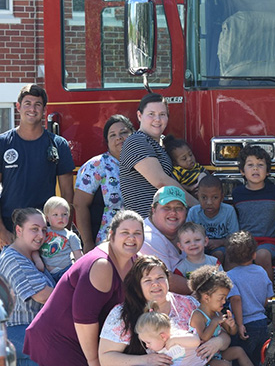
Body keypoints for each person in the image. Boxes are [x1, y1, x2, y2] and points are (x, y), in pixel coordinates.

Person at [19, 210, 146, 366]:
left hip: (84, 339)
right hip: (59, 338)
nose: (131, 238)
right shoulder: (102, 265)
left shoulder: (134, 261)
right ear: (111, 235)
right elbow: (84, 318)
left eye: (137, 233)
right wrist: (94, 360)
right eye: (125, 232)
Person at [97, 256, 235, 366]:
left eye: (160, 278)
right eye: (147, 280)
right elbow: (105, 358)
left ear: (168, 280)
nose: (155, 284)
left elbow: (224, 337)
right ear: (137, 286)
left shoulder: (189, 304)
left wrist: (216, 342)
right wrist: (146, 361)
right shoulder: (122, 313)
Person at [0, 84, 74, 264]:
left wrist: (62, 228)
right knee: (3, 285)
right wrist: (0, 229)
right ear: (18, 107)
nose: (32, 109)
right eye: (27, 103)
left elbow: (67, 192)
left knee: (45, 281)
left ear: (44, 109)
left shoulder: (58, 144)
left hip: (44, 229)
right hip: (9, 226)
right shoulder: (1, 143)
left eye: (37, 104)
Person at [0, 207, 54, 366]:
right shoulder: (14, 258)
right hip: (15, 329)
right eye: (34, 229)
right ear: (19, 230)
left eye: (44, 230)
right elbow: (42, 295)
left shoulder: (33, 255)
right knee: (57, 361)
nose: (41, 235)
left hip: (34, 329)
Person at [188, 266, 261, 366]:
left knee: (238, 351)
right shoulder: (197, 315)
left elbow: (230, 333)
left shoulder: (216, 311)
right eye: (221, 298)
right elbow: (203, 338)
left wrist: (231, 325)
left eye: (225, 298)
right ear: (206, 297)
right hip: (202, 359)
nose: (224, 301)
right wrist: (215, 322)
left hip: (217, 353)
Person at [120, 93, 196, 218]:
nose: (157, 119)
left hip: (168, 221)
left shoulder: (163, 143)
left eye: (162, 114)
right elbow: (161, 181)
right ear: (139, 116)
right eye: (151, 114)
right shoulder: (136, 141)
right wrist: (197, 206)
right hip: (147, 224)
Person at [74, 114, 134, 252]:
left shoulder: (144, 163)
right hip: (105, 244)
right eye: (112, 135)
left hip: (138, 241)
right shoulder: (96, 165)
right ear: (107, 141)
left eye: (123, 132)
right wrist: (88, 243)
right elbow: (79, 204)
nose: (118, 137)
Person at [232, 145, 275, 281]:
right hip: (246, 241)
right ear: (242, 171)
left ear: (268, 171)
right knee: (231, 255)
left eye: (260, 165)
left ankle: (268, 295)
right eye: (250, 165)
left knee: (262, 255)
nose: (255, 168)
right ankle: (232, 295)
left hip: (271, 241)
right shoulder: (237, 193)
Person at [226, 231, 274, 366]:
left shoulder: (230, 276)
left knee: (244, 361)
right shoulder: (261, 271)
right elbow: (268, 298)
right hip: (262, 321)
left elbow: (235, 299)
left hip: (245, 325)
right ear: (254, 254)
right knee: (260, 356)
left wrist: (239, 324)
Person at [141, 186, 192, 293]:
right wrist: (207, 290)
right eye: (166, 207)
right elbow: (168, 280)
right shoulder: (149, 237)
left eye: (179, 208)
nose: (173, 212)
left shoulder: (186, 230)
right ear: (153, 210)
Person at [187, 176, 239, 261]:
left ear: (222, 197)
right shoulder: (194, 212)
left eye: (215, 197)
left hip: (221, 248)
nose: (209, 202)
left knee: (218, 254)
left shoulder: (228, 211)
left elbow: (235, 238)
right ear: (198, 196)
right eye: (204, 197)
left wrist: (220, 242)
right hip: (198, 247)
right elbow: (186, 236)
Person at [41, 196, 83, 281]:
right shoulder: (43, 232)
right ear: (47, 218)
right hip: (46, 272)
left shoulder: (71, 236)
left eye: (64, 214)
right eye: (55, 215)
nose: (60, 217)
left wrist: (80, 272)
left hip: (65, 271)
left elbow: (78, 255)